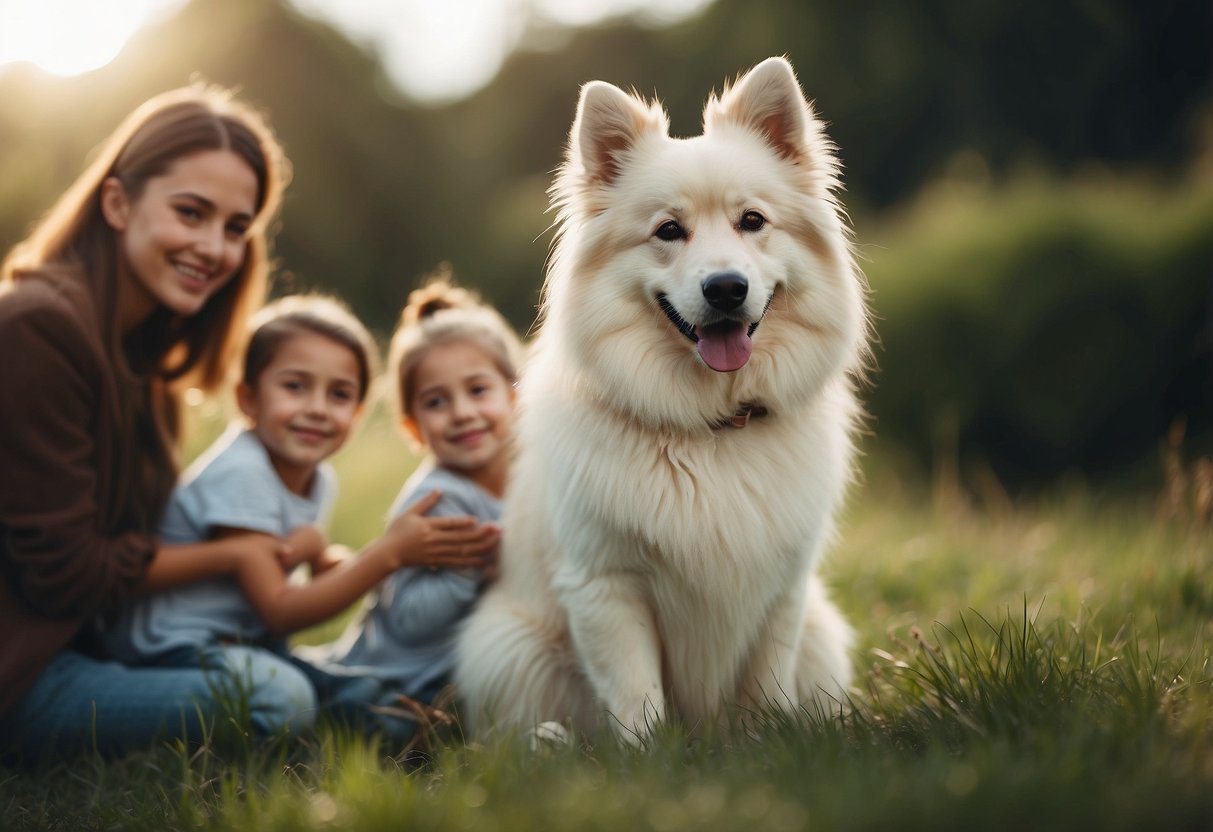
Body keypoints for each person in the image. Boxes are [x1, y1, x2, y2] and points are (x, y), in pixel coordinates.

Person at [0, 85, 304, 758]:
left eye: (235, 227)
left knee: (284, 671)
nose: (214, 248)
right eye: (190, 213)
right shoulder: (37, 328)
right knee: (277, 699)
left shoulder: (141, 355)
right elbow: (67, 575)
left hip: (87, 644)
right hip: (21, 674)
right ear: (117, 203)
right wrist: (232, 554)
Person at [99, 295, 499, 695]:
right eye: (295, 386)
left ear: (357, 413)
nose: (318, 409)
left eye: (339, 395)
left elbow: (288, 563)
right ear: (248, 399)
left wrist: (330, 558)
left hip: (243, 643)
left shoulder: (318, 478)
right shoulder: (243, 472)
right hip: (174, 648)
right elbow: (280, 611)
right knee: (293, 696)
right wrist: (388, 555)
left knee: (351, 688)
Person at [299, 274, 524, 745]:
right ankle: (316, 689)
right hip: (390, 680)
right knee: (394, 728)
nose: (462, 412)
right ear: (413, 427)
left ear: (516, 396)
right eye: (437, 402)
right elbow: (409, 618)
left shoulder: (531, 477)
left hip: (457, 676)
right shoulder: (438, 502)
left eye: (478, 390)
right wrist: (467, 573)